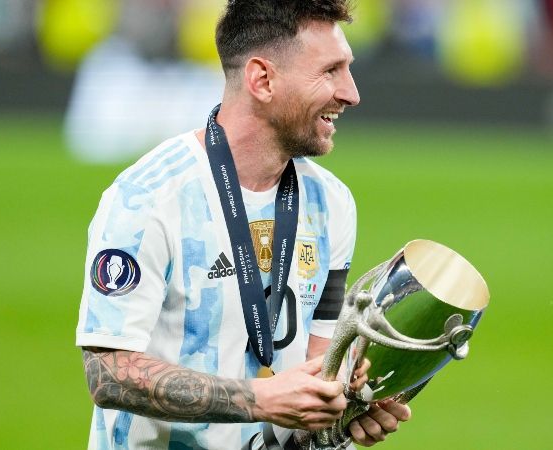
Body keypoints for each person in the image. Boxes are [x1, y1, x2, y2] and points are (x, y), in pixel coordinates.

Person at [75, 1, 411, 449]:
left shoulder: (331, 204)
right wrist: (258, 399)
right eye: (330, 71)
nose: (351, 93)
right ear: (262, 79)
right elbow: (108, 373)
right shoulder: (149, 197)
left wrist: (347, 405)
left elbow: (319, 361)